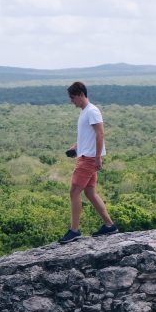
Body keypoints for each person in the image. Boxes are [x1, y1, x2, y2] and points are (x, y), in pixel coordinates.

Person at [59, 81, 119, 242]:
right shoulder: (85, 111)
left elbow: (100, 134)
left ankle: (74, 230)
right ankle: (109, 226)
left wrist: (98, 157)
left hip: (88, 159)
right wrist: (76, 147)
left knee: (74, 193)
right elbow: (89, 136)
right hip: (86, 156)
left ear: (80, 94)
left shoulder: (92, 111)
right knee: (89, 192)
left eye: (72, 97)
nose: (71, 101)